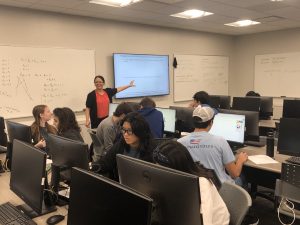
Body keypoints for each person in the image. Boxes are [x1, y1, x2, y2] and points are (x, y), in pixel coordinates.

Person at [154, 140, 229, 225]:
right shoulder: (174, 181)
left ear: (177, 169)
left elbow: (205, 221)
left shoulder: (201, 184)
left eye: (162, 170)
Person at [177, 106, 248, 186]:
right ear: (211, 122)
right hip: (219, 189)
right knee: (241, 179)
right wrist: (240, 160)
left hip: (196, 187)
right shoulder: (220, 141)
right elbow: (234, 174)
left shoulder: (180, 142)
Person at [92, 112, 156, 180]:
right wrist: (91, 166)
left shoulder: (152, 150)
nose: (125, 134)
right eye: (124, 130)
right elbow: (105, 163)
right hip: (122, 186)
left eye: (129, 131)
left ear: (139, 131)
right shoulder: (121, 144)